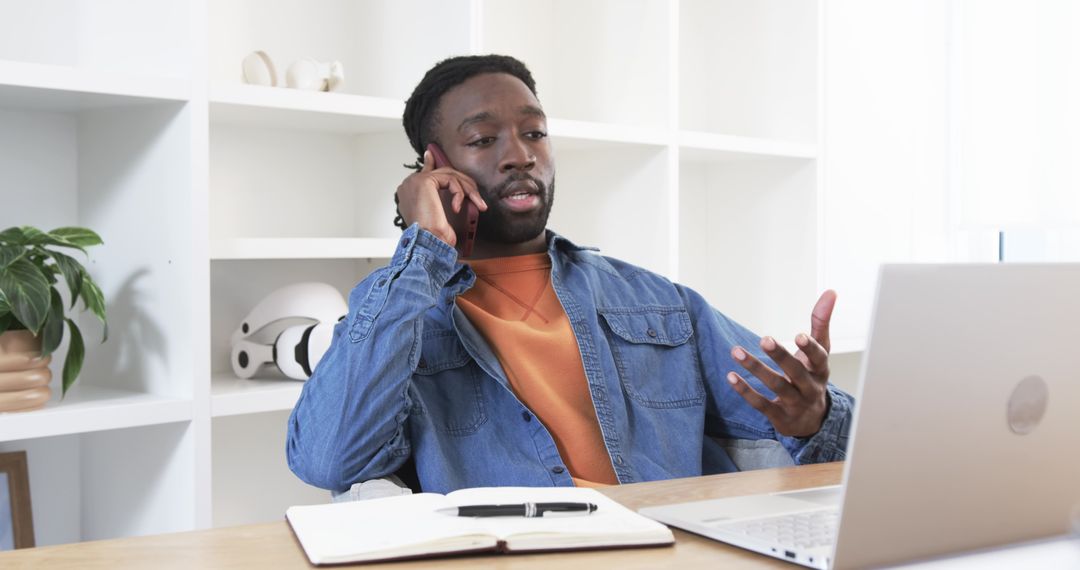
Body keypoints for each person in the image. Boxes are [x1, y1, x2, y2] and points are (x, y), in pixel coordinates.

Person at [286, 54, 853, 495]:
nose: (520, 155)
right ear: (436, 166)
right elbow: (328, 458)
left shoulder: (657, 303)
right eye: (484, 140)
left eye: (534, 133)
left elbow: (835, 434)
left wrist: (812, 417)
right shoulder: (402, 316)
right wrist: (426, 248)